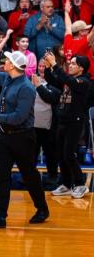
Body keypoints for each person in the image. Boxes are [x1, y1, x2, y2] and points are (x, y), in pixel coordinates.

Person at [0, 47, 49, 228]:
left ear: (14, 66)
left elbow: (20, 116)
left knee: (30, 176)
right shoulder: (8, 79)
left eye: (8, 61)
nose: (5, 62)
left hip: (23, 138)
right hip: (5, 137)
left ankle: (42, 208)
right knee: (2, 176)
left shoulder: (26, 88)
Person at [44, 52, 91, 199]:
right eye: (69, 63)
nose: (70, 65)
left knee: (69, 154)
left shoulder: (84, 81)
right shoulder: (69, 80)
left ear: (81, 68)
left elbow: (66, 79)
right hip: (63, 121)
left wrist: (55, 64)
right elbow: (53, 80)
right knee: (61, 154)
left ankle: (80, 184)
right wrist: (47, 68)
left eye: (73, 64)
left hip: (75, 122)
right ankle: (66, 184)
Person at [31, 60, 61, 187]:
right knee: (31, 153)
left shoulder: (55, 86)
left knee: (50, 153)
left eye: (44, 66)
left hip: (49, 127)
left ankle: (53, 175)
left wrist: (39, 86)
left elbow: (51, 98)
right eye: (40, 66)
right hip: (32, 125)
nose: (42, 69)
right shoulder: (30, 84)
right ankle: (30, 176)